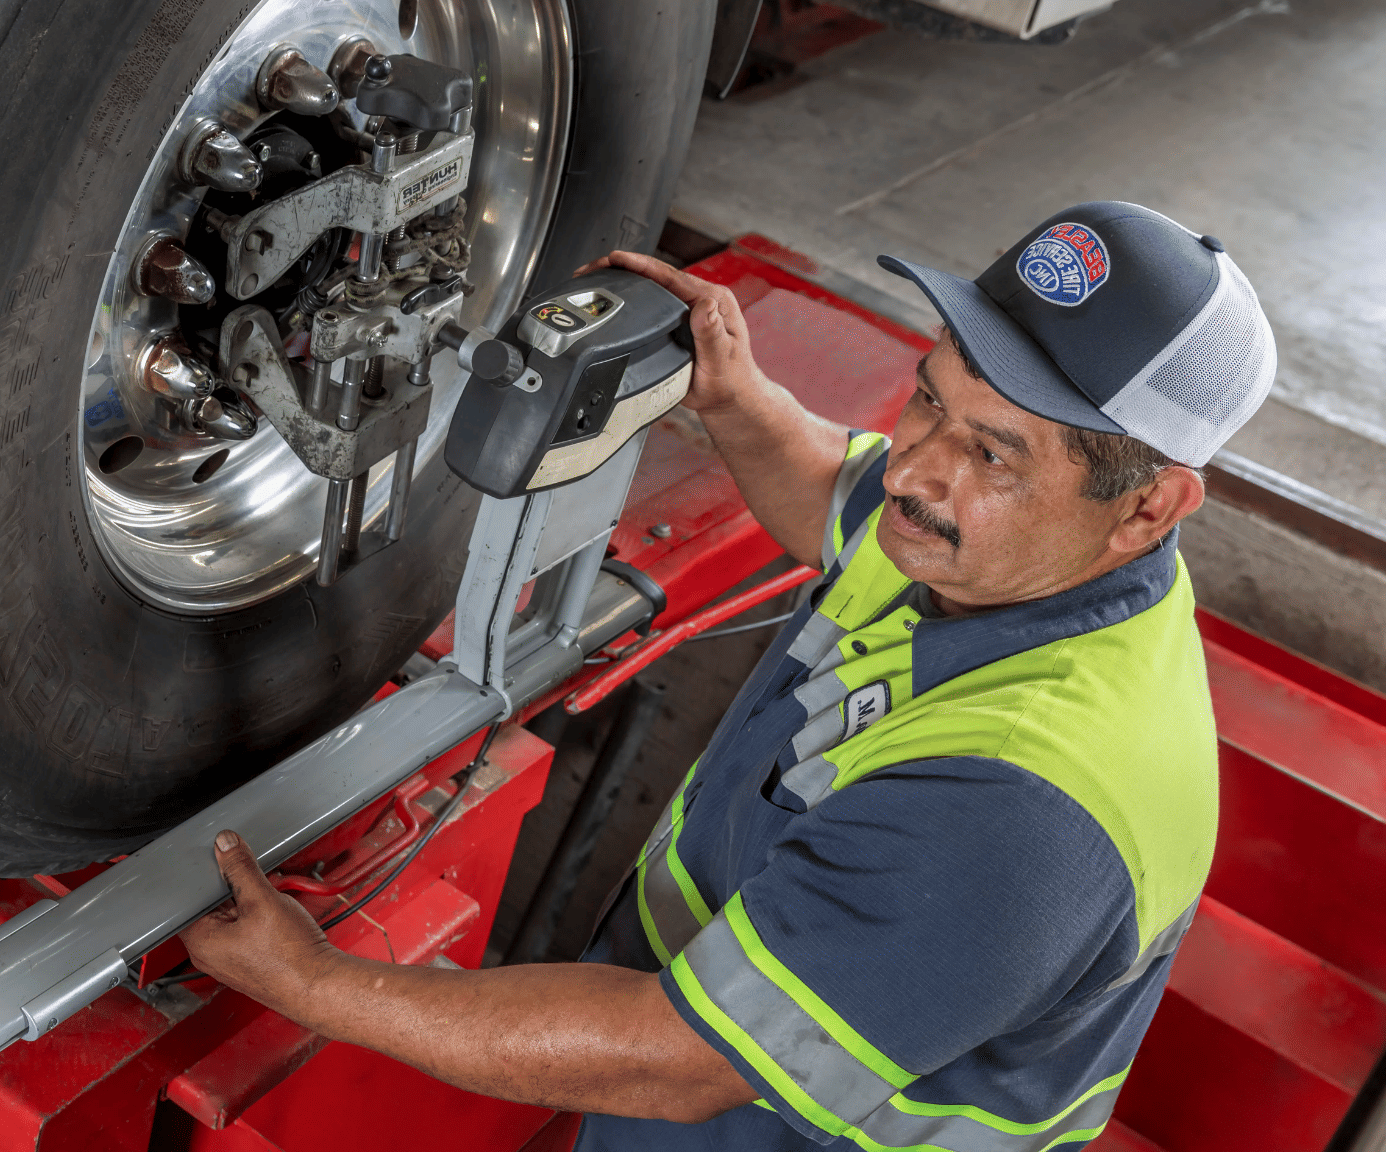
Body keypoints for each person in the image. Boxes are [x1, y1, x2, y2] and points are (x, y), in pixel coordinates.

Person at [180, 201, 1277, 1150]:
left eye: (993, 452)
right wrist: (731, 392)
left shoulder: (1022, 806)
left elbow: (672, 1059)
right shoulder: (992, 548)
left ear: (1146, 509)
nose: (914, 465)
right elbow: (828, 496)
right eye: (928, 396)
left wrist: (318, 987)